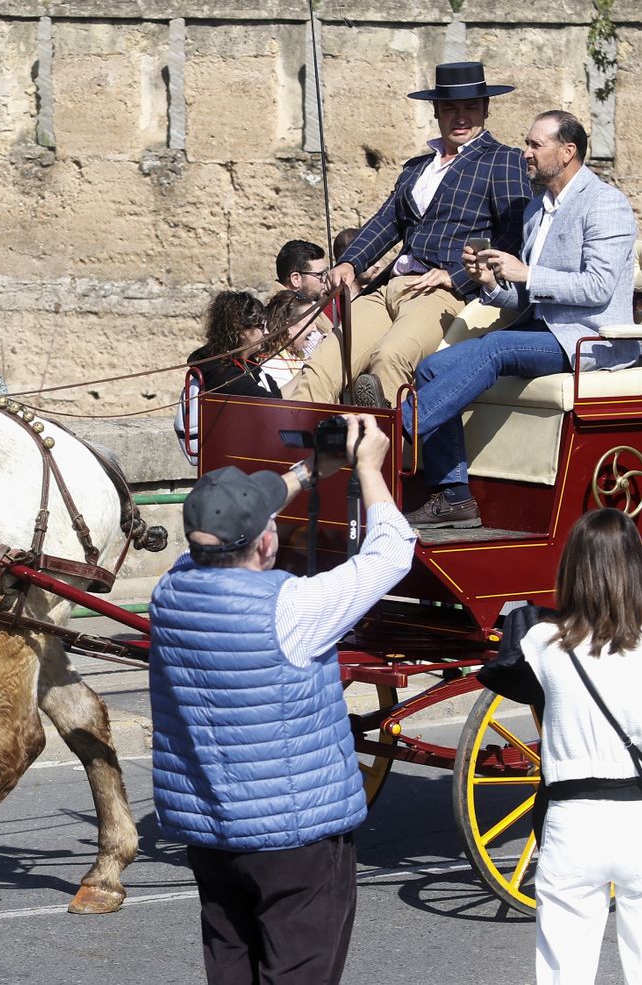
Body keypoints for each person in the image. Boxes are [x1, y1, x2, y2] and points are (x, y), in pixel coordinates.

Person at [148, 416, 415, 985]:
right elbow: (391, 555)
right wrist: (368, 468)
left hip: (211, 833)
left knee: (230, 967)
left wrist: (308, 472)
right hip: (296, 842)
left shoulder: (169, 592)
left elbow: (225, 532)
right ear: (268, 541)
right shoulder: (294, 610)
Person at [402, 112, 637, 529]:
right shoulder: (535, 209)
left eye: (534, 145)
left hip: (588, 340)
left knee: (494, 348)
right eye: (526, 143)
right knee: (432, 367)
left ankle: (397, 429)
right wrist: (491, 282)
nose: (525, 153)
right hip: (540, 330)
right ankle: (454, 495)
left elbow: (598, 288)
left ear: (567, 152)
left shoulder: (605, 203)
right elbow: (524, 296)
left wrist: (527, 273)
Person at [486, 509, 642, 985]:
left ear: (572, 570)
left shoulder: (542, 642)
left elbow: (519, 683)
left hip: (573, 820)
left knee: (564, 969)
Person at [293, 62, 532, 408]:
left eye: (470, 107)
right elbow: (386, 222)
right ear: (436, 110)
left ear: (486, 109)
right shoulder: (416, 168)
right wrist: (349, 262)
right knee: (321, 367)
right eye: (451, 108)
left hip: (442, 295)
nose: (460, 117)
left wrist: (456, 275)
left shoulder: (502, 161)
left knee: (389, 359)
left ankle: (388, 459)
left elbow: (513, 237)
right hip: (389, 288)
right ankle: (297, 455)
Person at [174, 292, 279, 464]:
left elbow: (279, 397)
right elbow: (273, 405)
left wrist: (308, 371)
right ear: (241, 331)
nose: (266, 332)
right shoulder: (221, 372)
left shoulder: (248, 364)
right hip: (232, 466)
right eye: (261, 326)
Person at [258, 290, 326, 397]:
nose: (314, 328)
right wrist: (314, 360)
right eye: (310, 322)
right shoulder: (272, 362)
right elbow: (289, 400)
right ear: (288, 325)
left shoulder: (296, 354)